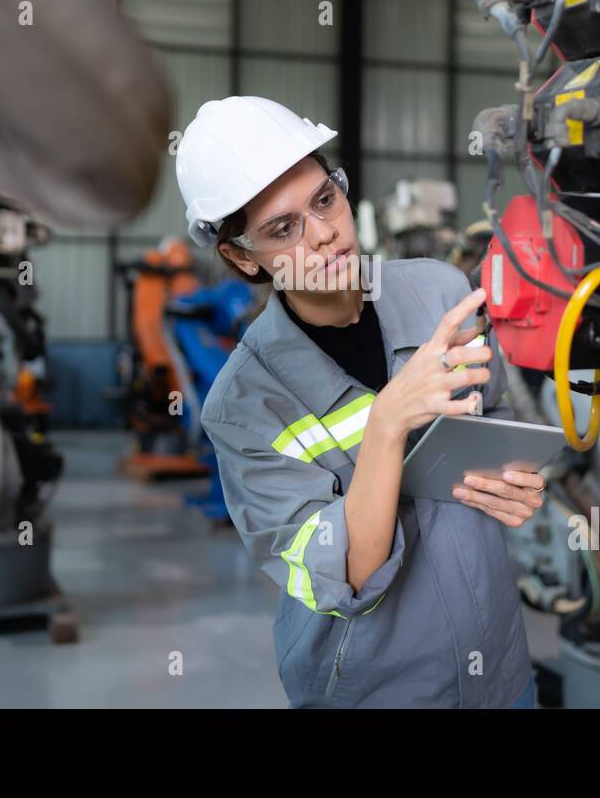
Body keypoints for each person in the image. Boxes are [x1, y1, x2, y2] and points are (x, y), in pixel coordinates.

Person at [178, 96, 544, 708]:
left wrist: (513, 476)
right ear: (242, 257)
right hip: (376, 687)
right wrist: (388, 422)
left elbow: (496, 414)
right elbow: (346, 576)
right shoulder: (244, 404)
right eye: (283, 228)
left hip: (498, 668)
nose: (324, 234)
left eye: (325, 200)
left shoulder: (440, 291)